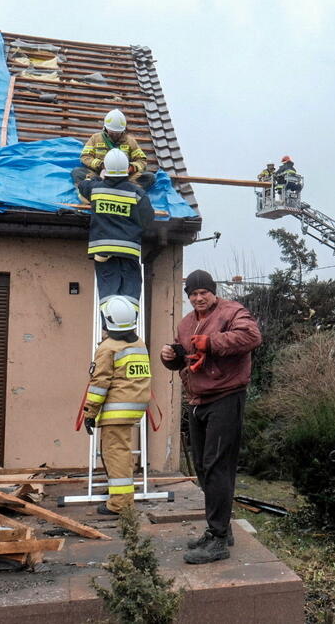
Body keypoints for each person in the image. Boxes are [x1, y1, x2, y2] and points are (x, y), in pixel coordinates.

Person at [160, 270, 262, 564]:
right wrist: (172, 357)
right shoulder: (186, 322)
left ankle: (217, 540)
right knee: (205, 469)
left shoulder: (232, 311)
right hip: (198, 399)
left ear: (213, 292)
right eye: (193, 294)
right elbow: (185, 359)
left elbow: (251, 336)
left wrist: (211, 342)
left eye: (203, 292)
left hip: (226, 397)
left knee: (217, 466)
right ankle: (222, 528)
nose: (198, 297)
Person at [82, 297, 151, 516]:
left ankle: (120, 503)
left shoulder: (108, 348)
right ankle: (120, 495)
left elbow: (99, 385)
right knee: (121, 452)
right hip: (134, 406)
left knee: (116, 453)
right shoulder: (139, 344)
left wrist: (89, 413)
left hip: (116, 409)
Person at [77, 148, 154, 315]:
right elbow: (148, 218)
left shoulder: (96, 189)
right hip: (129, 251)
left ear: (106, 169)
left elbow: (83, 185)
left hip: (103, 251)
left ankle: (109, 327)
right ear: (126, 169)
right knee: (131, 291)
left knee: (108, 291)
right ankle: (129, 325)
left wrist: (97, 178)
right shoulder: (137, 193)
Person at [71, 108, 155, 191]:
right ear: (105, 128)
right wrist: (101, 165)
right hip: (100, 177)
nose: (114, 135)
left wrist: (130, 168)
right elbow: (85, 157)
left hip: (123, 178)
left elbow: (142, 160)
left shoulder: (130, 141)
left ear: (123, 130)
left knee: (149, 177)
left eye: (117, 133)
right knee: (77, 172)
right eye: (112, 132)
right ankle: (124, 190)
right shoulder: (95, 138)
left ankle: (110, 190)